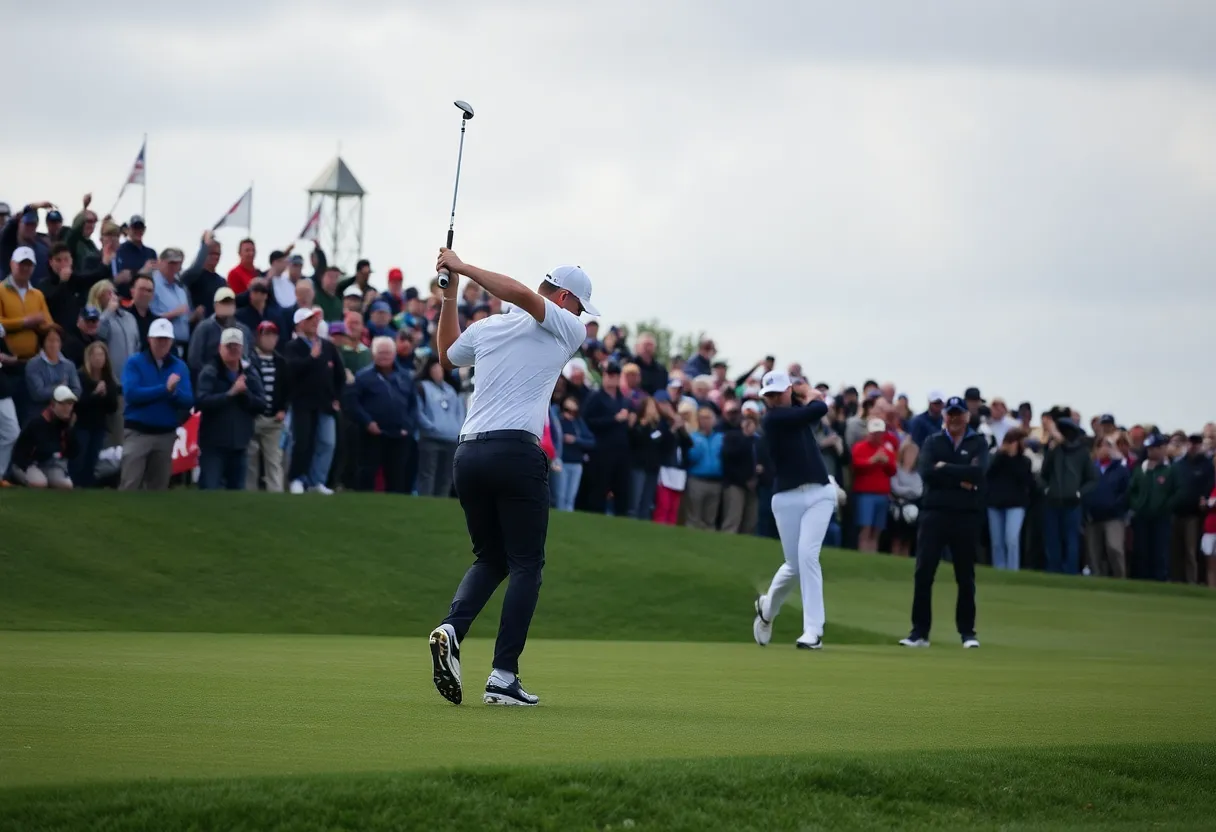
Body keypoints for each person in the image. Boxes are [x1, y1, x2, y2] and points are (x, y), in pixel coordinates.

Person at [428, 250, 595, 708]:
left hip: (469, 454)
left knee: (491, 558)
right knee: (527, 565)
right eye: (580, 305)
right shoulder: (568, 324)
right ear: (565, 298)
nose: (583, 318)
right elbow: (521, 293)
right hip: (516, 453)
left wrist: (451, 298)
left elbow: (447, 355)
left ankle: (451, 629)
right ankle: (503, 677)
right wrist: (459, 274)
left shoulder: (487, 327)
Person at [750, 372, 834, 650]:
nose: (773, 399)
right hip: (786, 498)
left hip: (820, 493)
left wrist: (806, 394)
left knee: (808, 556)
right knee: (794, 565)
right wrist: (810, 391)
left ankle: (813, 631)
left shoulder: (795, 412)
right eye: (769, 395)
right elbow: (819, 407)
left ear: (788, 391)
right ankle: (767, 610)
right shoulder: (773, 418)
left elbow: (816, 408)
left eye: (778, 393)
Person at [900, 396, 988, 649]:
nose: (954, 418)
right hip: (934, 513)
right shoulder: (933, 441)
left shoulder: (977, 442)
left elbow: (979, 474)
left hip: (965, 516)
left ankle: (967, 633)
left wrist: (945, 468)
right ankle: (919, 633)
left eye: (958, 414)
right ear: (944, 416)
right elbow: (927, 472)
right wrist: (961, 478)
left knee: (964, 575)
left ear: (966, 416)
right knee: (924, 572)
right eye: (950, 414)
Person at [119, 318, 194, 491]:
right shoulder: (135, 362)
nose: (162, 343)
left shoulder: (179, 366)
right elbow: (132, 394)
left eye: (166, 339)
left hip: (165, 435)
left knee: (158, 488)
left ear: (172, 342)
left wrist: (173, 393)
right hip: (138, 432)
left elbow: (188, 400)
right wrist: (164, 390)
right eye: (158, 338)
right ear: (149, 339)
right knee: (130, 484)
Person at [283, 308, 345, 495]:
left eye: (315, 319)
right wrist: (311, 358)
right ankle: (297, 478)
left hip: (325, 403)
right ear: (299, 324)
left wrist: (336, 398)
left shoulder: (327, 346)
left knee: (327, 442)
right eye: (309, 320)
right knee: (302, 442)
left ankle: (316, 481)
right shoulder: (292, 347)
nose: (314, 322)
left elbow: (339, 375)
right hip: (302, 402)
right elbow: (290, 370)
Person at [196, 328, 267, 490]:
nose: (233, 350)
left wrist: (245, 393)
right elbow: (202, 402)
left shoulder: (250, 373)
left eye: (236, 347)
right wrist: (230, 393)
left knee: (236, 496)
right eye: (229, 346)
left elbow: (261, 405)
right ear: (220, 347)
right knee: (209, 491)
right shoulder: (210, 371)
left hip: (240, 445)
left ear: (242, 349)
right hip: (214, 445)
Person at [349, 337, 416, 494]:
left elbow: (413, 405)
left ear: (394, 354)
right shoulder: (362, 377)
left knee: (397, 475)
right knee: (367, 472)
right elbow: (353, 404)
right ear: (373, 354)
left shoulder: (406, 376)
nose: (384, 356)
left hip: (399, 434)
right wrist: (368, 423)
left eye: (388, 352)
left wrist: (408, 426)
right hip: (372, 433)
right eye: (380, 352)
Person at [1041, 416, 1098, 574]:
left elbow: (1092, 479)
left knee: (1071, 540)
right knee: (1053, 540)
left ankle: (1070, 572)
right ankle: (1053, 571)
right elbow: (1043, 474)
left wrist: (1079, 493)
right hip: (1053, 502)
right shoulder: (1054, 450)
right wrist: (1047, 489)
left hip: (1073, 504)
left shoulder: (1082, 453)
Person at [580, 362, 633, 515]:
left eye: (615, 375)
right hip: (602, 448)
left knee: (622, 487)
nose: (612, 378)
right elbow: (588, 420)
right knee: (599, 486)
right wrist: (613, 419)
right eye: (609, 375)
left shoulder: (623, 399)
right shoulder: (595, 396)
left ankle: (621, 518)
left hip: (621, 449)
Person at [415, 353, 465, 498]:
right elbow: (418, 412)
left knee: (446, 476)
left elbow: (459, 412)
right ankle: (425, 502)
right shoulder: (421, 387)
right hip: (430, 438)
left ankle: (441, 503)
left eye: (440, 369)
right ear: (429, 370)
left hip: (451, 438)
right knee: (428, 474)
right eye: (434, 368)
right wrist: (430, 427)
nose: (438, 371)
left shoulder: (451, 390)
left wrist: (458, 429)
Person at [10, 385, 78, 488]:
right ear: (53, 404)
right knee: (39, 483)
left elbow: (73, 453)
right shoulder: (38, 423)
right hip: (27, 463)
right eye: (62, 404)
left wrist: (70, 430)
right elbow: (32, 451)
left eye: (70, 404)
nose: (67, 408)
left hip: (49, 464)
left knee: (66, 486)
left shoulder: (66, 426)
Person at [985, 428, 1035, 570]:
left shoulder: (1024, 461)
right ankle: (999, 569)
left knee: (1011, 539)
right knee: (997, 542)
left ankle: (1013, 569)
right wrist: (1001, 454)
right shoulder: (996, 458)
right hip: (995, 503)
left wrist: (1013, 457)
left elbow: (1025, 480)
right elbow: (988, 473)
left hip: (1016, 504)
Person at [1128, 433, 1176, 581]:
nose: (1151, 452)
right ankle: (1143, 579)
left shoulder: (1170, 470)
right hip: (1142, 517)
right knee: (1142, 550)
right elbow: (1132, 491)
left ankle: (1160, 579)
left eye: (1154, 448)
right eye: (1149, 449)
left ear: (1162, 448)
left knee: (1160, 550)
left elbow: (1175, 492)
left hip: (1162, 517)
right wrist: (1137, 505)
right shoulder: (1140, 469)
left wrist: (1166, 507)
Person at [72, 341, 119, 488]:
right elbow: (77, 403)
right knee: (80, 457)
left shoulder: (109, 379)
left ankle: (88, 486)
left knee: (92, 459)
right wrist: (94, 394)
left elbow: (113, 407)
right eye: (95, 355)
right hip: (82, 424)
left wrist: (105, 395)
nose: (99, 358)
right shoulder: (80, 376)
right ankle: (74, 485)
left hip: (99, 425)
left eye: (101, 355)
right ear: (89, 357)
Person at [247, 321, 287, 492]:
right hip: (254, 417)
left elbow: (288, 388)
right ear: (258, 337)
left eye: (273, 335)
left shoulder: (281, 361)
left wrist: (283, 408)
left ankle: (276, 495)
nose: (270, 339)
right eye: (266, 335)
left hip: (274, 419)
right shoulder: (249, 360)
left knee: (274, 461)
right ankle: (249, 495)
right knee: (250, 461)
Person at [1083, 436, 1132, 578]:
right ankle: (1097, 579)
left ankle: (1119, 578)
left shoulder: (1121, 469)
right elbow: (1085, 489)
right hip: (1093, 516)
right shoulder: (1091, 468)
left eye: (1108, 445)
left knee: (1114, 548)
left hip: (1114, 516)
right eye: (1101, 446)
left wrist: (1116, 506)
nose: (1104, 449)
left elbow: (1126, 492)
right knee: (1094, 552)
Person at [1171, 435, 1215, 584]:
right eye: (1191, 443)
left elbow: (1209, 487)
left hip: (1194, 515)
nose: (1193, 446)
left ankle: (1192, 581)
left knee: (1190, 551)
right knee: (1176, 551)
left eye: (1197, 443)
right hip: (1176, 513)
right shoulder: (1178, 465)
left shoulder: (1206, 465)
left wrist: (1204, 499)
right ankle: (1176, 581)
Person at [850, 418, 898, 552]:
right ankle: (863, 554)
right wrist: (872, 460)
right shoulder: (859, 447)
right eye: (874, 433)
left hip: (882, 494)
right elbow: (855, 465)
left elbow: (892, 470)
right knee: (865, 528)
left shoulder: (887, 450)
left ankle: (872, 555)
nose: (877, 436)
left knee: (877, 530)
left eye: (879, 433)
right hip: (865, 493)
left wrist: (886, 462)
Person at [627, 395, 671, 521]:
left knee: (647, 502)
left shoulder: (659, 426)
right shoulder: (637, 425)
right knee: (635, 500)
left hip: (653, 467)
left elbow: (666, 444)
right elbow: (635, 441)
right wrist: (642, 425)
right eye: (650, 407)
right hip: (638, 466)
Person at [25, 325, 81, 417]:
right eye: (50, 341)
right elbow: (38, 393)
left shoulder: (69, 365)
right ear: (43, 343)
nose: (54, 344)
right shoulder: (33, 364)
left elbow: (77, 389)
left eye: (57, 341)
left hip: (65, 412)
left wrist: (65, 401)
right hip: (40, 413)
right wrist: (61, 388)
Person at [684, 406, 725, 530]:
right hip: (697, 479)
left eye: (708, 418)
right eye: (702, 418)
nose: (705, 421)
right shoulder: (693, 437)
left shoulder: (720, 438)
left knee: (710, 519)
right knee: (694, 517)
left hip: (716, 481)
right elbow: (690, 457)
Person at [552, 395, 595, 512]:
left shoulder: (579, 423)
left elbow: (591, 441)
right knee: (560, 496)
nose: (570, 414)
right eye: (567, 410)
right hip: (561, 462)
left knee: (571, 498)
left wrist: (575, 440)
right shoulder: (557, 422)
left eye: (573, 411)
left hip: (576, 463)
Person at [888, 440, 923, 557]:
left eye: (914, 454)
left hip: (911, 509)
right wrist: (909, 490)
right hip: (897, 507)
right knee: (897, 538)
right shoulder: (896, 469)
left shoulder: (916, 474)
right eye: (909, 453)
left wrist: (905, 490)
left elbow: (919, 491)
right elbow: (895, 488)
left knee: (908, 539)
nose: (911, 457)